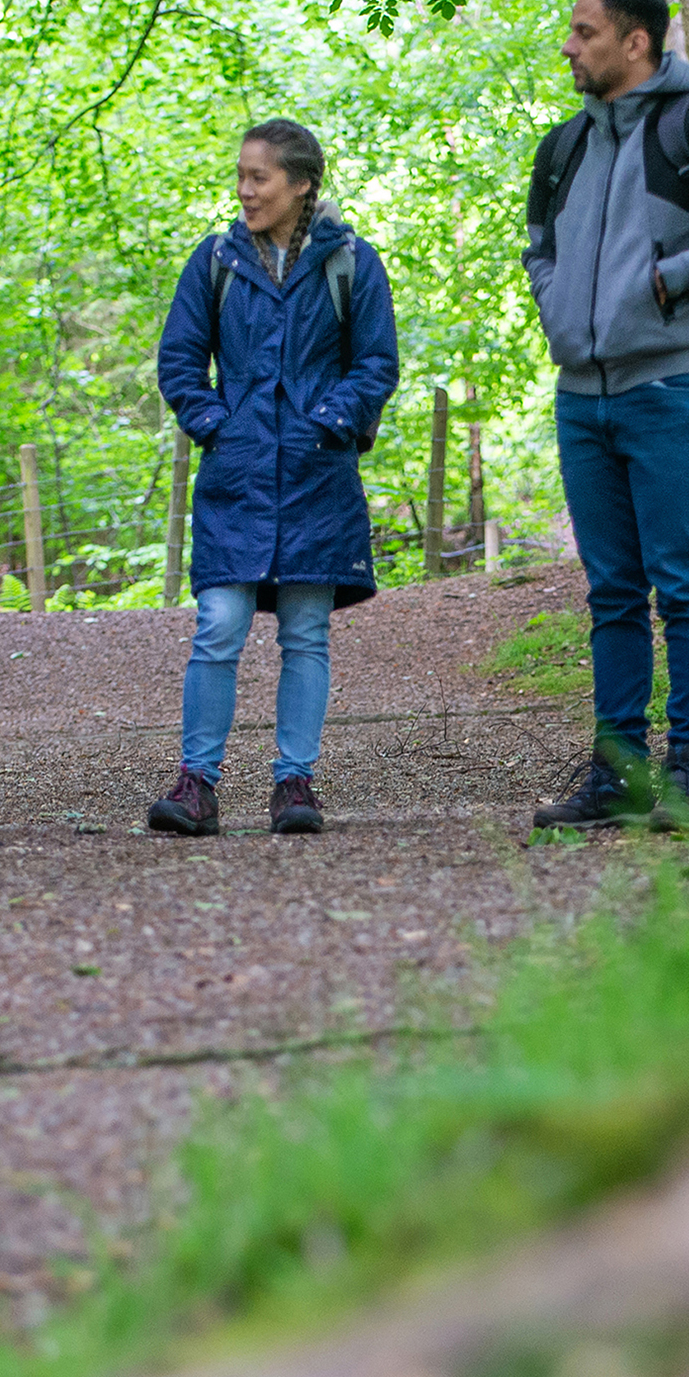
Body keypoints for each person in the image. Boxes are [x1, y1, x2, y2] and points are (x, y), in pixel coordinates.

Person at [523, 0, 689, 828]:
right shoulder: (562, 148)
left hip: (670, 389)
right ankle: (618, 775)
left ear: (636, 42)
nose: (569, 45)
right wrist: (559, 307)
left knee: (683, 584)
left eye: (585, 31)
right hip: (581, 399)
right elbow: (540, 252)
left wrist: (674, 280)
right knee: (611, 593)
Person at [149, 119, 399, 839]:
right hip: (238, 476)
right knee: (218, 627)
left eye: (259, 176)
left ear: (301, 183)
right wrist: (220, 427)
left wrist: (331, 420)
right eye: (242, 175)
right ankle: (197, 783)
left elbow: (376, 364)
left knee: (306, 632)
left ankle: (296, 783)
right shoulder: (215, 261)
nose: (244, 189)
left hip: (320, 477)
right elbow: (179, 362)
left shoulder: (351, 262)